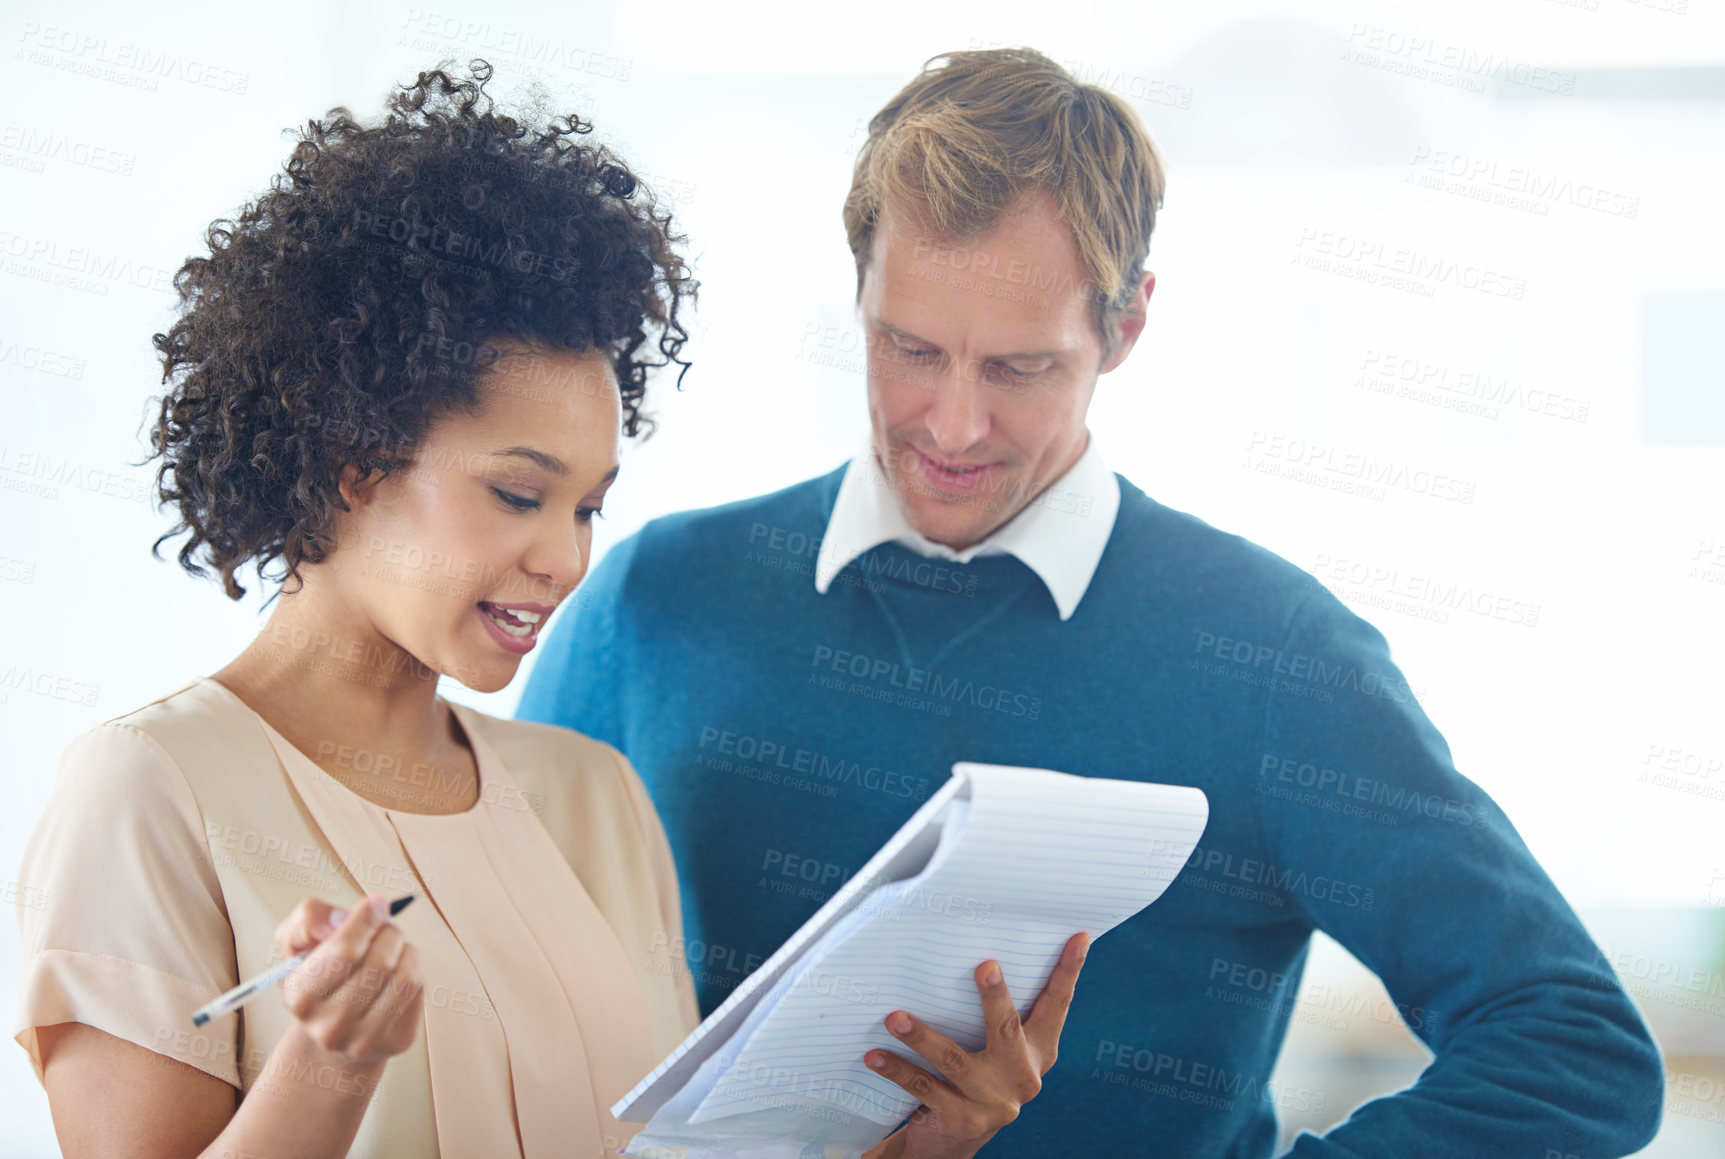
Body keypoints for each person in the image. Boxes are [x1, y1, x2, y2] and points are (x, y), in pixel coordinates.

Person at [516, 46, 1666, 1158]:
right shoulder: (655, 600)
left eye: (1021, 367)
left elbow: (1572, 1045)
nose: (954, 425)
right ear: (857, 292)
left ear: (1125, 326)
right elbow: (514, 984)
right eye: (909, 349)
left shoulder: (1274, 655)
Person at [12, 60, 1083, 1159]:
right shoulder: (151, 791)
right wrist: (325, 1073)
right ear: (351, 462)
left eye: (587, 508)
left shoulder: (595, 802)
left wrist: (926, 1143)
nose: (565, 558)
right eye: (519, 495)